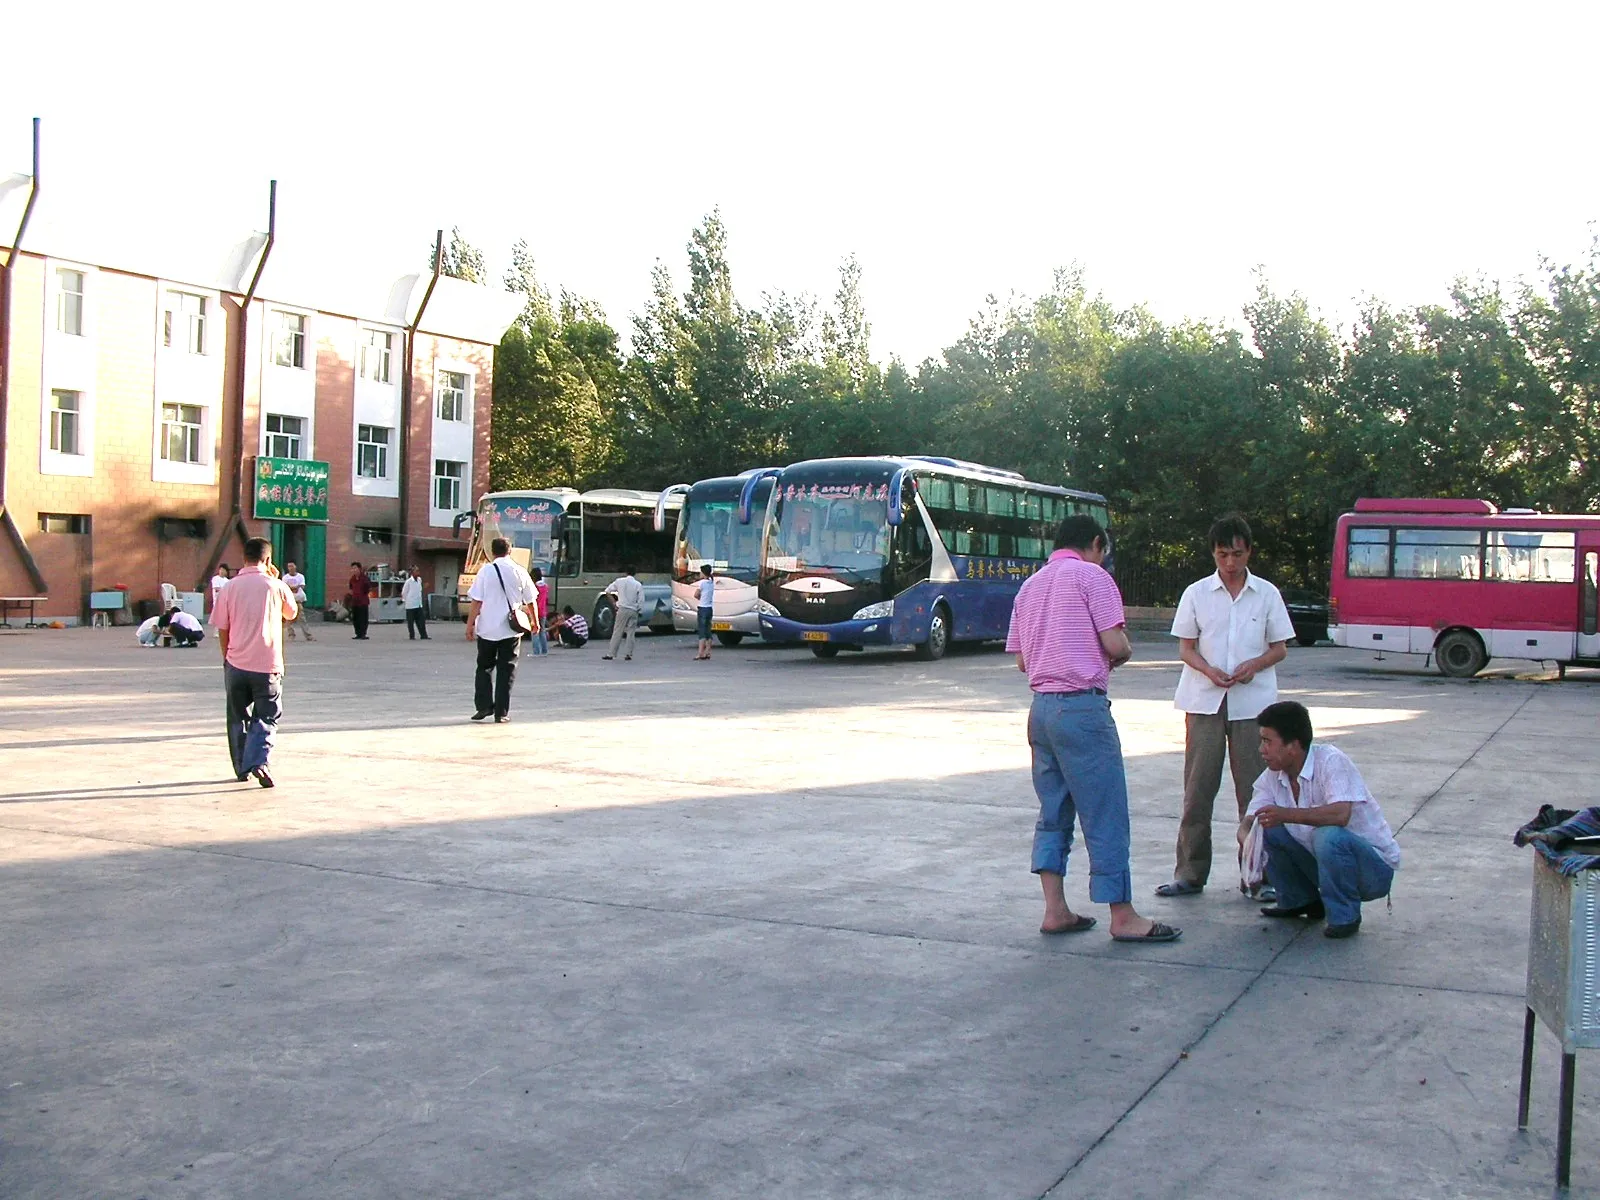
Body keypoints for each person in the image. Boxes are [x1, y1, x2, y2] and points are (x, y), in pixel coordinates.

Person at [1005, 513, 1180, 944]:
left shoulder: (1029, 587)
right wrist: (1119, 653)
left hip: (1041, 710)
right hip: (1082, 709)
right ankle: (1123, 915)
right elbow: (1115, 644)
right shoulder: (1092, 577)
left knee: (1053, 812)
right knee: (1105, 813)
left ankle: (1055, 910)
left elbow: (1022, 661)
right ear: (1097, 544)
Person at [1156, 513, 1295, 900]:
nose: (1230, 563)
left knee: (1255, 793)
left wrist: (1254, 666)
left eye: (1237, 554)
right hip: (1204, 701)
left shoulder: (1266, 594)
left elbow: (1280, 647)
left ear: (1249, 551)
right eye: (1222, 555)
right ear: (1213, 554)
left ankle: (1257, 876)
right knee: (1197, 790)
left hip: (1253, 706)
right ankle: (1189, 872)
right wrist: (1208, 670)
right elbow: (1186, 647)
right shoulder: (1197, 593)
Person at [1243, 701, 1400, 938]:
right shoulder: (1272, 776)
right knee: (1265, 827)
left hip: (1372, 872)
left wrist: (1286, 814)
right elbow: (1250, 820)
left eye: (1268, 741)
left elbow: (1340, 815)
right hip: (1323, 865)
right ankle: (1300, 900)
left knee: (1329, 835)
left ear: (1293, 746)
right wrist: (1248, 844)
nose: (1261, 750)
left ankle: (1344, 916)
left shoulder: (1331, 761)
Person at [211, 536, 297, 788]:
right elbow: (291, 613)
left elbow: (222, 627)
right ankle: (259, 761)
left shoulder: (229, 587)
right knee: (267, 716)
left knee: (237, 716)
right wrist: (277, 580)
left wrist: (227, 657)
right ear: (268, 559)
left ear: (243, 558)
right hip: (267, 665)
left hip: (236, 663)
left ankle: (241, 768)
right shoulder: (275, 586)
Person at [466, 536, 539, 723]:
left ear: (492, 551)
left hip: (487, 629)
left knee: (484, 668)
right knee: (507, 670)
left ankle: (483, 706)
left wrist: (470, 624)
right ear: (510, 550)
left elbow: (476, 600)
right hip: (511, 629)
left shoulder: (485, 571)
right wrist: (534, 621)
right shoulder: (519, 571)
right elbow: (531, 600)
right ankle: (501, 712)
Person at [602, 565, 644, 661]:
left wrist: (614, 603)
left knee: (617, 631)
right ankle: (628, 654)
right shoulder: (638, 584)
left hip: (622, 609)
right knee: (631, 633)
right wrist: (639, 610)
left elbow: (607, 591)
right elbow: (641, 600)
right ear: (635, 573)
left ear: (626, 572)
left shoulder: (619, 581)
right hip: (633, 610)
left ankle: (611, 653)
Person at [281, 561, 317, 642]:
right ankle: (291, 635)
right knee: (288, 619)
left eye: (292, 566)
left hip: (298, 600)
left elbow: (302, 586)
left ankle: (308, 636)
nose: (291, 568)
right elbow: (284, 587)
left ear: (295, 567)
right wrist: (292, 588)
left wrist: (294, 587)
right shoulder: (285, 577)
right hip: (289, 601)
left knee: (302, 618)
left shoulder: (300, 576)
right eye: (289, 566)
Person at [694, 563, 716, 660]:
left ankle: (700, 653)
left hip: (702, 608)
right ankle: (708, 652)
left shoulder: (702, 583)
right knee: (708, 631)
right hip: (709, 608)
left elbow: (696, 594)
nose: (699, 574)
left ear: (703, 573)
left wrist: (700, 597)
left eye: (700, 572)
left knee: (702, 631)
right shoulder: (711, 582)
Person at [402, 565, 429, 640]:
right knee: (410, 622)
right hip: (410, 604)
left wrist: (424, 587)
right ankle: (412, 635)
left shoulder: (419, 580)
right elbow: (404, 592)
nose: (418, 572)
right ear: (412, 573)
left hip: (418, 604)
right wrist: (405, 600)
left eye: (418, 571)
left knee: (421, 621)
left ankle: (423, 635)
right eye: (416, 571)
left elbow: (418, 589)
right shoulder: (408, 582)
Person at [347, 562, 373, 640]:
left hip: (363, 601)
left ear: (359, 569)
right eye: (353, 568)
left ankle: (363, 634)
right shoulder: (352, 579)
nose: (354, 570)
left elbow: (368, 588)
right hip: (355, 602)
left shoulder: (364, 578)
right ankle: (357, 633)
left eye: (355, 568)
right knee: (356, 618)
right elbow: (351, 588)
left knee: (363, 618)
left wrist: (362, 595)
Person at [529, 567, 550, 655]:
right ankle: (544, 651)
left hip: (536, 611)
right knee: (542, 631)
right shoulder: (545, 586)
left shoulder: (534, 587)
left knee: (534, 632)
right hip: (543, 611)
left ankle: (536, 652)